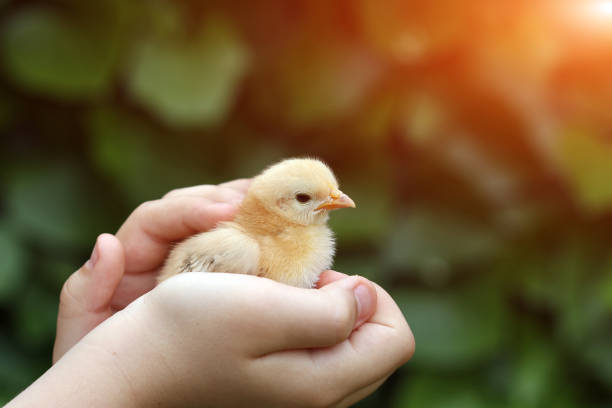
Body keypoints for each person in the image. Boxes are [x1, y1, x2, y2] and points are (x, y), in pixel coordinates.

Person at [6, 179, 415, 408]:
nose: (337, 200)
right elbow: (178, 308)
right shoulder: (237, 248)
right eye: (308, 198)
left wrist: (99, 363)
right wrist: (137, 367)